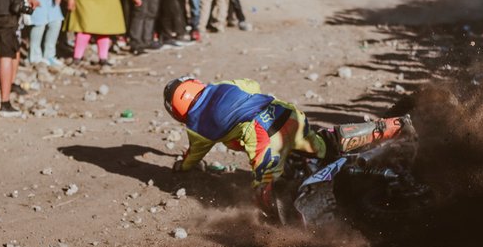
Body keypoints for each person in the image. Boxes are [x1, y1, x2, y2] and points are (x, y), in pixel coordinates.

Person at [164, 77, 409, 219]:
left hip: (263, 139)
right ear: (195, 83)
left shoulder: (196, 127)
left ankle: (295, 233)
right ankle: (394, 127)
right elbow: (253, 85)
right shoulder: (224, 84)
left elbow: (194, 155)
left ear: (177, 111)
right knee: (323, 144)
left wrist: (183, 167)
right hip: (285, 114)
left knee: (265, 191)